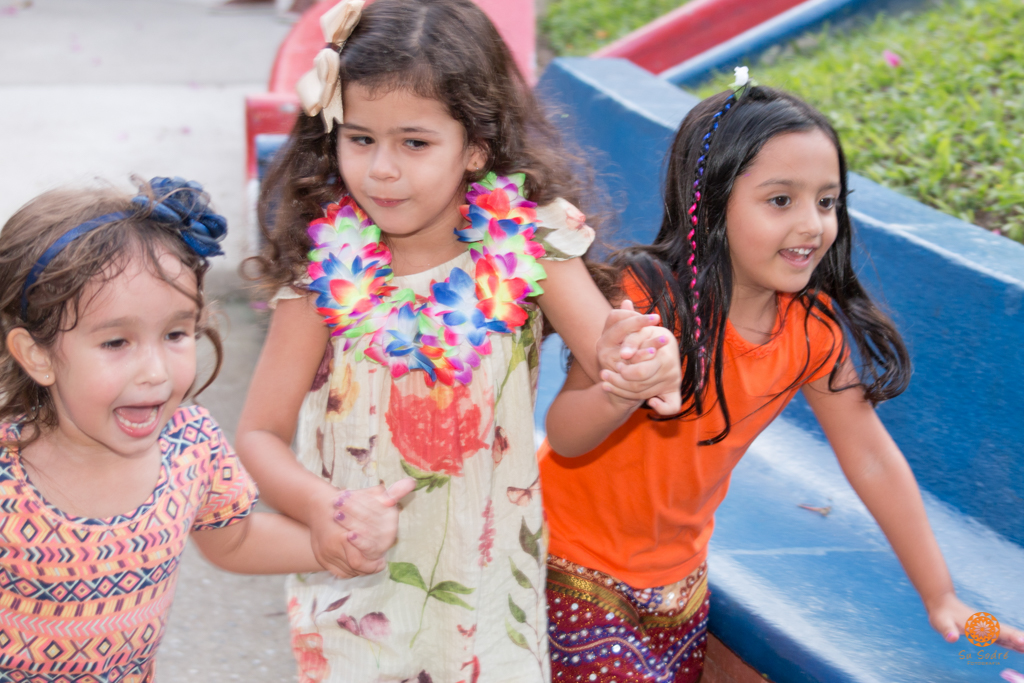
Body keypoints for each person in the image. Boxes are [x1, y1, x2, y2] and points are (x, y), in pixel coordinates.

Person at [234, 0, 680, 680]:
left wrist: (637, 361)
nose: (382, 169)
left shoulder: (532, 243)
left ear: (474, 146)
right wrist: (326, 507)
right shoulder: (322, 268)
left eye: (414, 142)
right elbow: (259, 434)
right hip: (358, 600)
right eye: (360, 139)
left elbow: (603, 377)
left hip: (488, 599)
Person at [540, 79, 1024, 682]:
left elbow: (871, 458)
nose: (812, 224)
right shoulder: (646, 303)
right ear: (710, 205)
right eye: (780, 200)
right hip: (572, 571)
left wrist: (941, 596)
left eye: (826, 201)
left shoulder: (811, 330)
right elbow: (564, 435)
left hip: (679, 589)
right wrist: (622, 385)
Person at [0, 178, 359, 681]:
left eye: (174, 334)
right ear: (37, 355)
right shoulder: (8, 481)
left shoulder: (189, 444)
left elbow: (233, 540)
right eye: (115, 342)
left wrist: (329, 545)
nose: (155, 372)